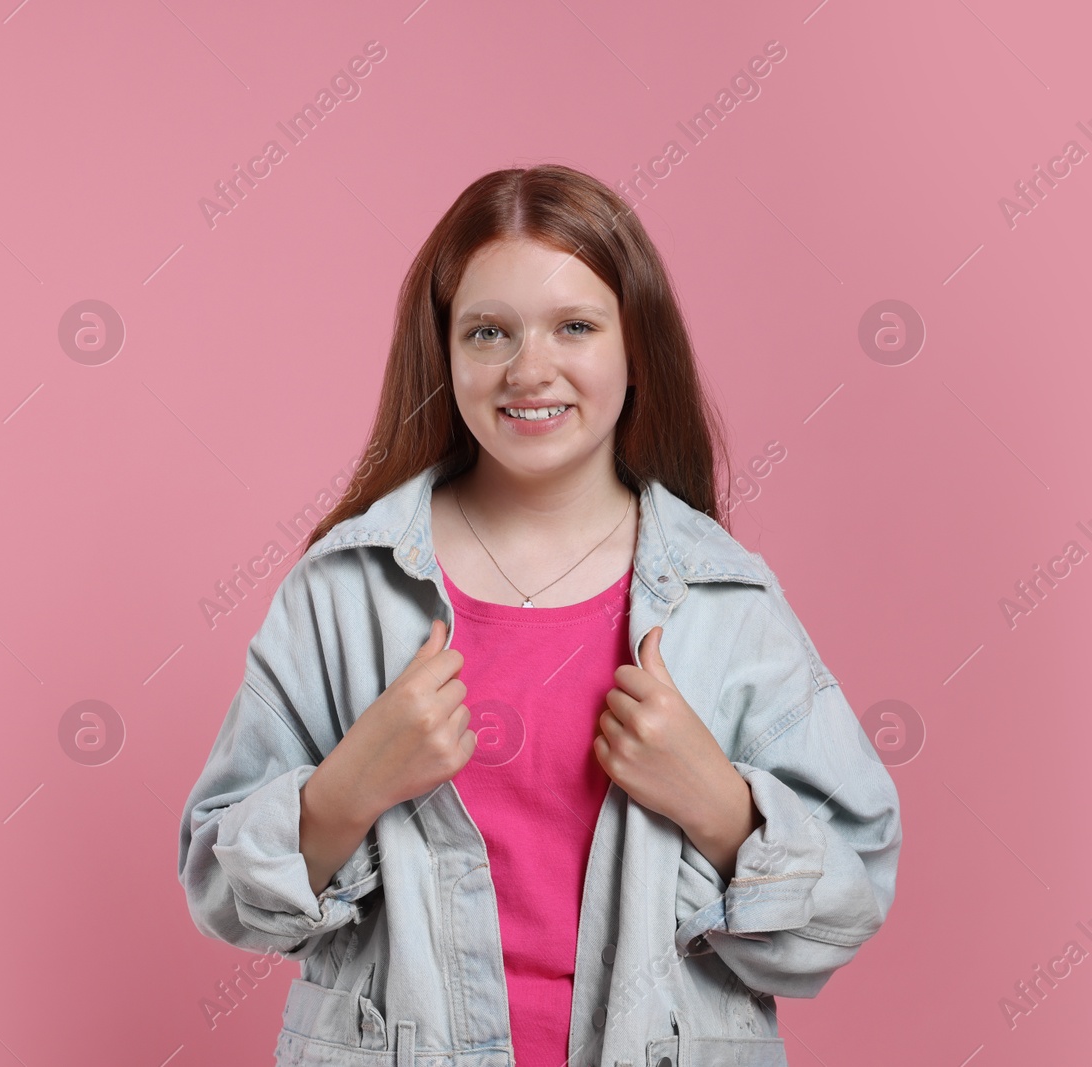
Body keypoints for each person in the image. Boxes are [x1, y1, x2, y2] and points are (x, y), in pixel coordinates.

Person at [178, 163, 902, 1067]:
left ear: (636, 347)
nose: (530, 368)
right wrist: (348, 787)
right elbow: (219, 887)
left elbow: (851, 896)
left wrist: (720, 806)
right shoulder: (343, 589)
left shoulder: (728, 598)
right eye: (489, 331)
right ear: (442, 351)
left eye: (575, 326)